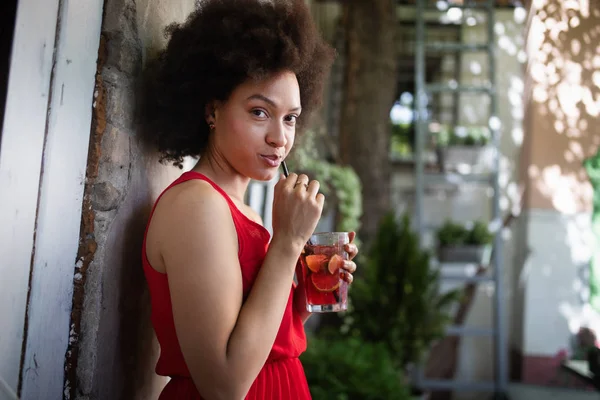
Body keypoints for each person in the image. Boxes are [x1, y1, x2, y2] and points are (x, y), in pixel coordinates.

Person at [140, 1, 359, 399]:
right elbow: (223, 385)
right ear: (213, 110)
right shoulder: (197, 206)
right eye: (260, 112)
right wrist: (288, 242)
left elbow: (263, 345)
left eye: (290, 117)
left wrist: (306, 296)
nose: (280, 137)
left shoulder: (239, 208)